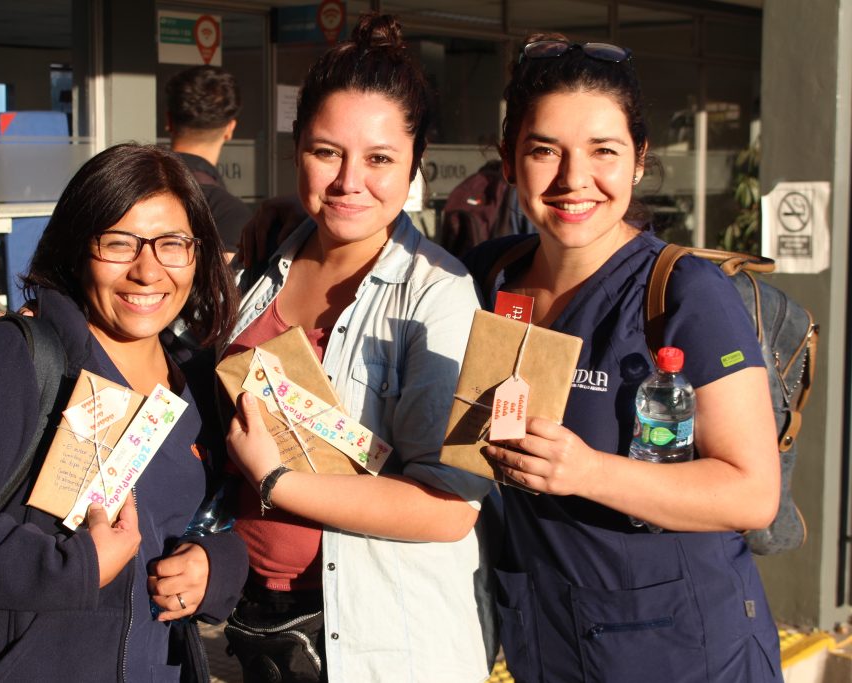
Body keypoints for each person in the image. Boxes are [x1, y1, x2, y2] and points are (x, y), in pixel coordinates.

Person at [462, 35, 783, 682]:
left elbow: (753, 492)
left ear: (639, 160)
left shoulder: (685, 293)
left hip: (684, 653)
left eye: (603, 151)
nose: (573, 178)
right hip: (549, 644)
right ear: (508, 159)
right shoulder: (483, 282)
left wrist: (586, 471)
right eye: (544, 150)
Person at [0, 144, 248, 681]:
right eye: (120, 243)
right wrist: (72, 569)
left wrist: (215, 566)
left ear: (197, 253)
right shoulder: (19, 359)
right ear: (80, 249)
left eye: (172, 243)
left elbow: (213, 518)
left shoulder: (194, 380)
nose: (148, 271)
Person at [221, 14, 494, 683]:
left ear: (414, 162)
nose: (349, 180)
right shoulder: (264, 261)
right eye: (326, 152)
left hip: (376, 639)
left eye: (378, 159)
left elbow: (450, 509)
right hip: (252, 621)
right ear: (296, 152)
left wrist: (278, 482)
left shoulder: (439, 297)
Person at [166, 65, 253, 259]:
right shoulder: (228, 213)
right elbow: (226, 287)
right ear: (230, 129)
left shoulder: (132, 184)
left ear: (169, 121)